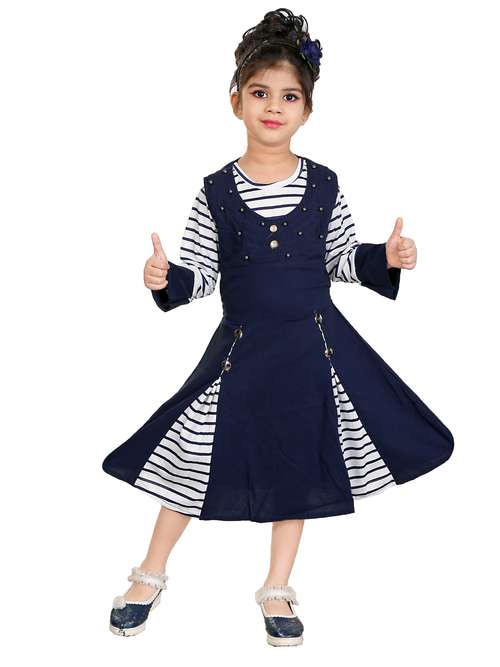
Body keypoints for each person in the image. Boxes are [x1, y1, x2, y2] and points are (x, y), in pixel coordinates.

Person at [101, 7, 454, 646]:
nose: (273, 106)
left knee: (298, 459)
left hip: (314, 350)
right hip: (240, 351)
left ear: (307, 110)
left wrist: (386, 256)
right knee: (191, 454)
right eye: (260, 92)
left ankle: (277, 585)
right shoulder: (215, 191)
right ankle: (149, 573)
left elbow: (340, 260)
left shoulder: (324, 184)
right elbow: (200, 273)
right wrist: (165, 277)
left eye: (289, 96)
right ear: (236, 100)